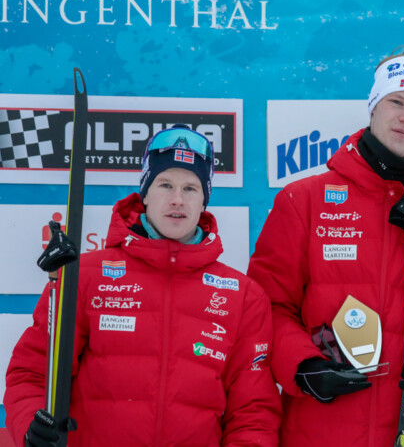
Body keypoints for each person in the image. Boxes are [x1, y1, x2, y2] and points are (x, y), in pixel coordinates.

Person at [247, 46, 404, 446]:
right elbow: (266, 307)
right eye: (396, 101)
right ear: (373, 105)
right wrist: (303, 365)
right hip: (318, 431)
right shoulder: (304, 201)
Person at [5, 125, 281, 446]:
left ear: (205, 199)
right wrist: (32, 426)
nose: (177, 200)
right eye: (165, 184)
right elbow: (33, 374)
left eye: (190, 188)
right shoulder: (86, 276)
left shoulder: (242, 295)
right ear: (145, 193)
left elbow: (252, 412)